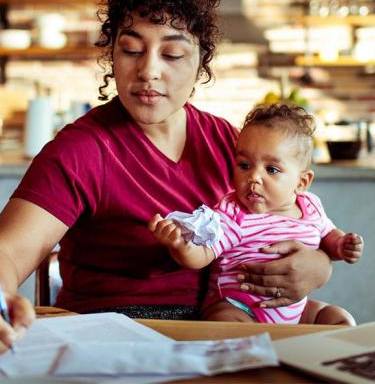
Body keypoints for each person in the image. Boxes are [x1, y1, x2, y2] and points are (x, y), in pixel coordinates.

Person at [0, 0, 336, 361]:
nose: (148, 71)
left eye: (172, 55)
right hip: (112, 342)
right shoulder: (83, 150)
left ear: (201, 60)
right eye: (132, 49)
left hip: (218, 330)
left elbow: (279, 222)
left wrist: (318, 264)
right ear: (112, 53)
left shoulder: (230, 144)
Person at [149, 104, 363, 325]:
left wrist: (342, 244)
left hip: (293, 311)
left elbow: (328, 236)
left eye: (271, 169)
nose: (254, 177)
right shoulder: (233, 213)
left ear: (301, 182)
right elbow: (203, 255)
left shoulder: (310, 207)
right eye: (244, 165)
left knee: (340, 319)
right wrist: (180, 245)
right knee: (226, 323)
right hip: (239, 305)